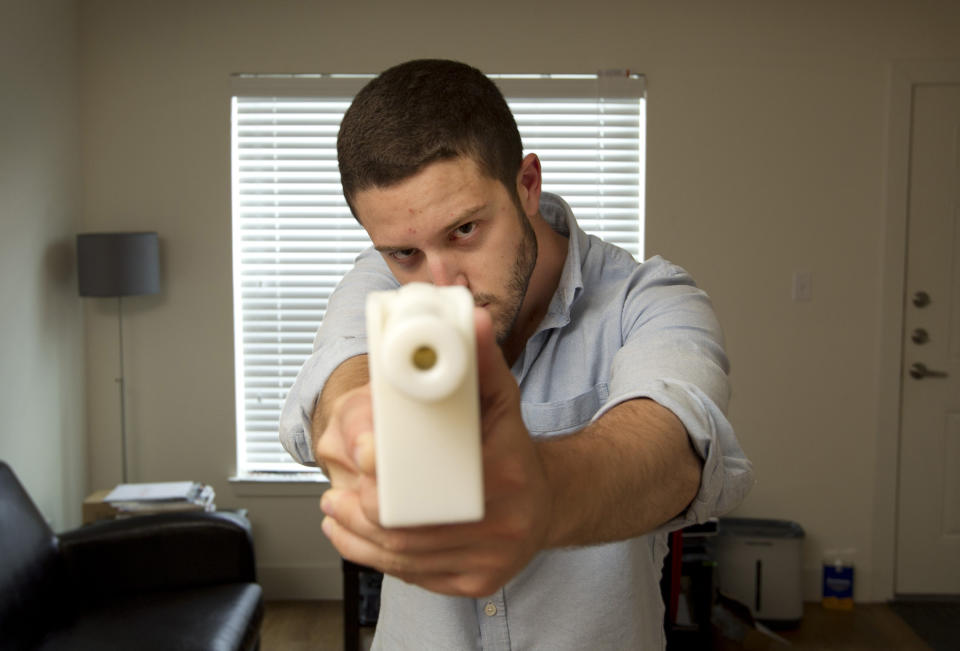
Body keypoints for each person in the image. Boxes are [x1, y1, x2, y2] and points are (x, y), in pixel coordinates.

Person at [280, 59, 753, 650]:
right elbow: (341, 373)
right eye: (405, 253)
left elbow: (673, 448)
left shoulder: (649, 300)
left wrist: (537, 492)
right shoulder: (378, 280)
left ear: (526, 185)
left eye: (465, 230)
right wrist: (358, 428)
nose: (441, 284)